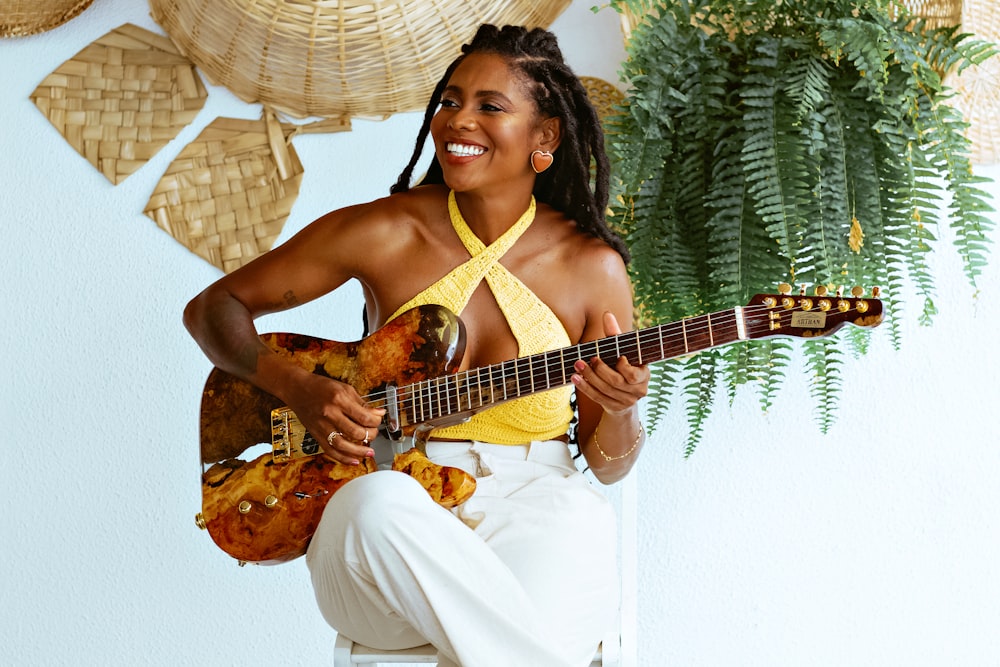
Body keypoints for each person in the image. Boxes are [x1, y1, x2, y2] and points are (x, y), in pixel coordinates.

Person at [184, 23, 650, 667]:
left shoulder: (591, 268)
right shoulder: (385, 230)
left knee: (582, 522)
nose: (459, 120)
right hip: (384, 518)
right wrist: (300, 388)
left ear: (544, 138)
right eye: (450, 101)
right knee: (375, 504)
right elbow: (213, 308)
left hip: (537, 509)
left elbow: (606, 464)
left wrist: (621, 409)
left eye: (491, 106)